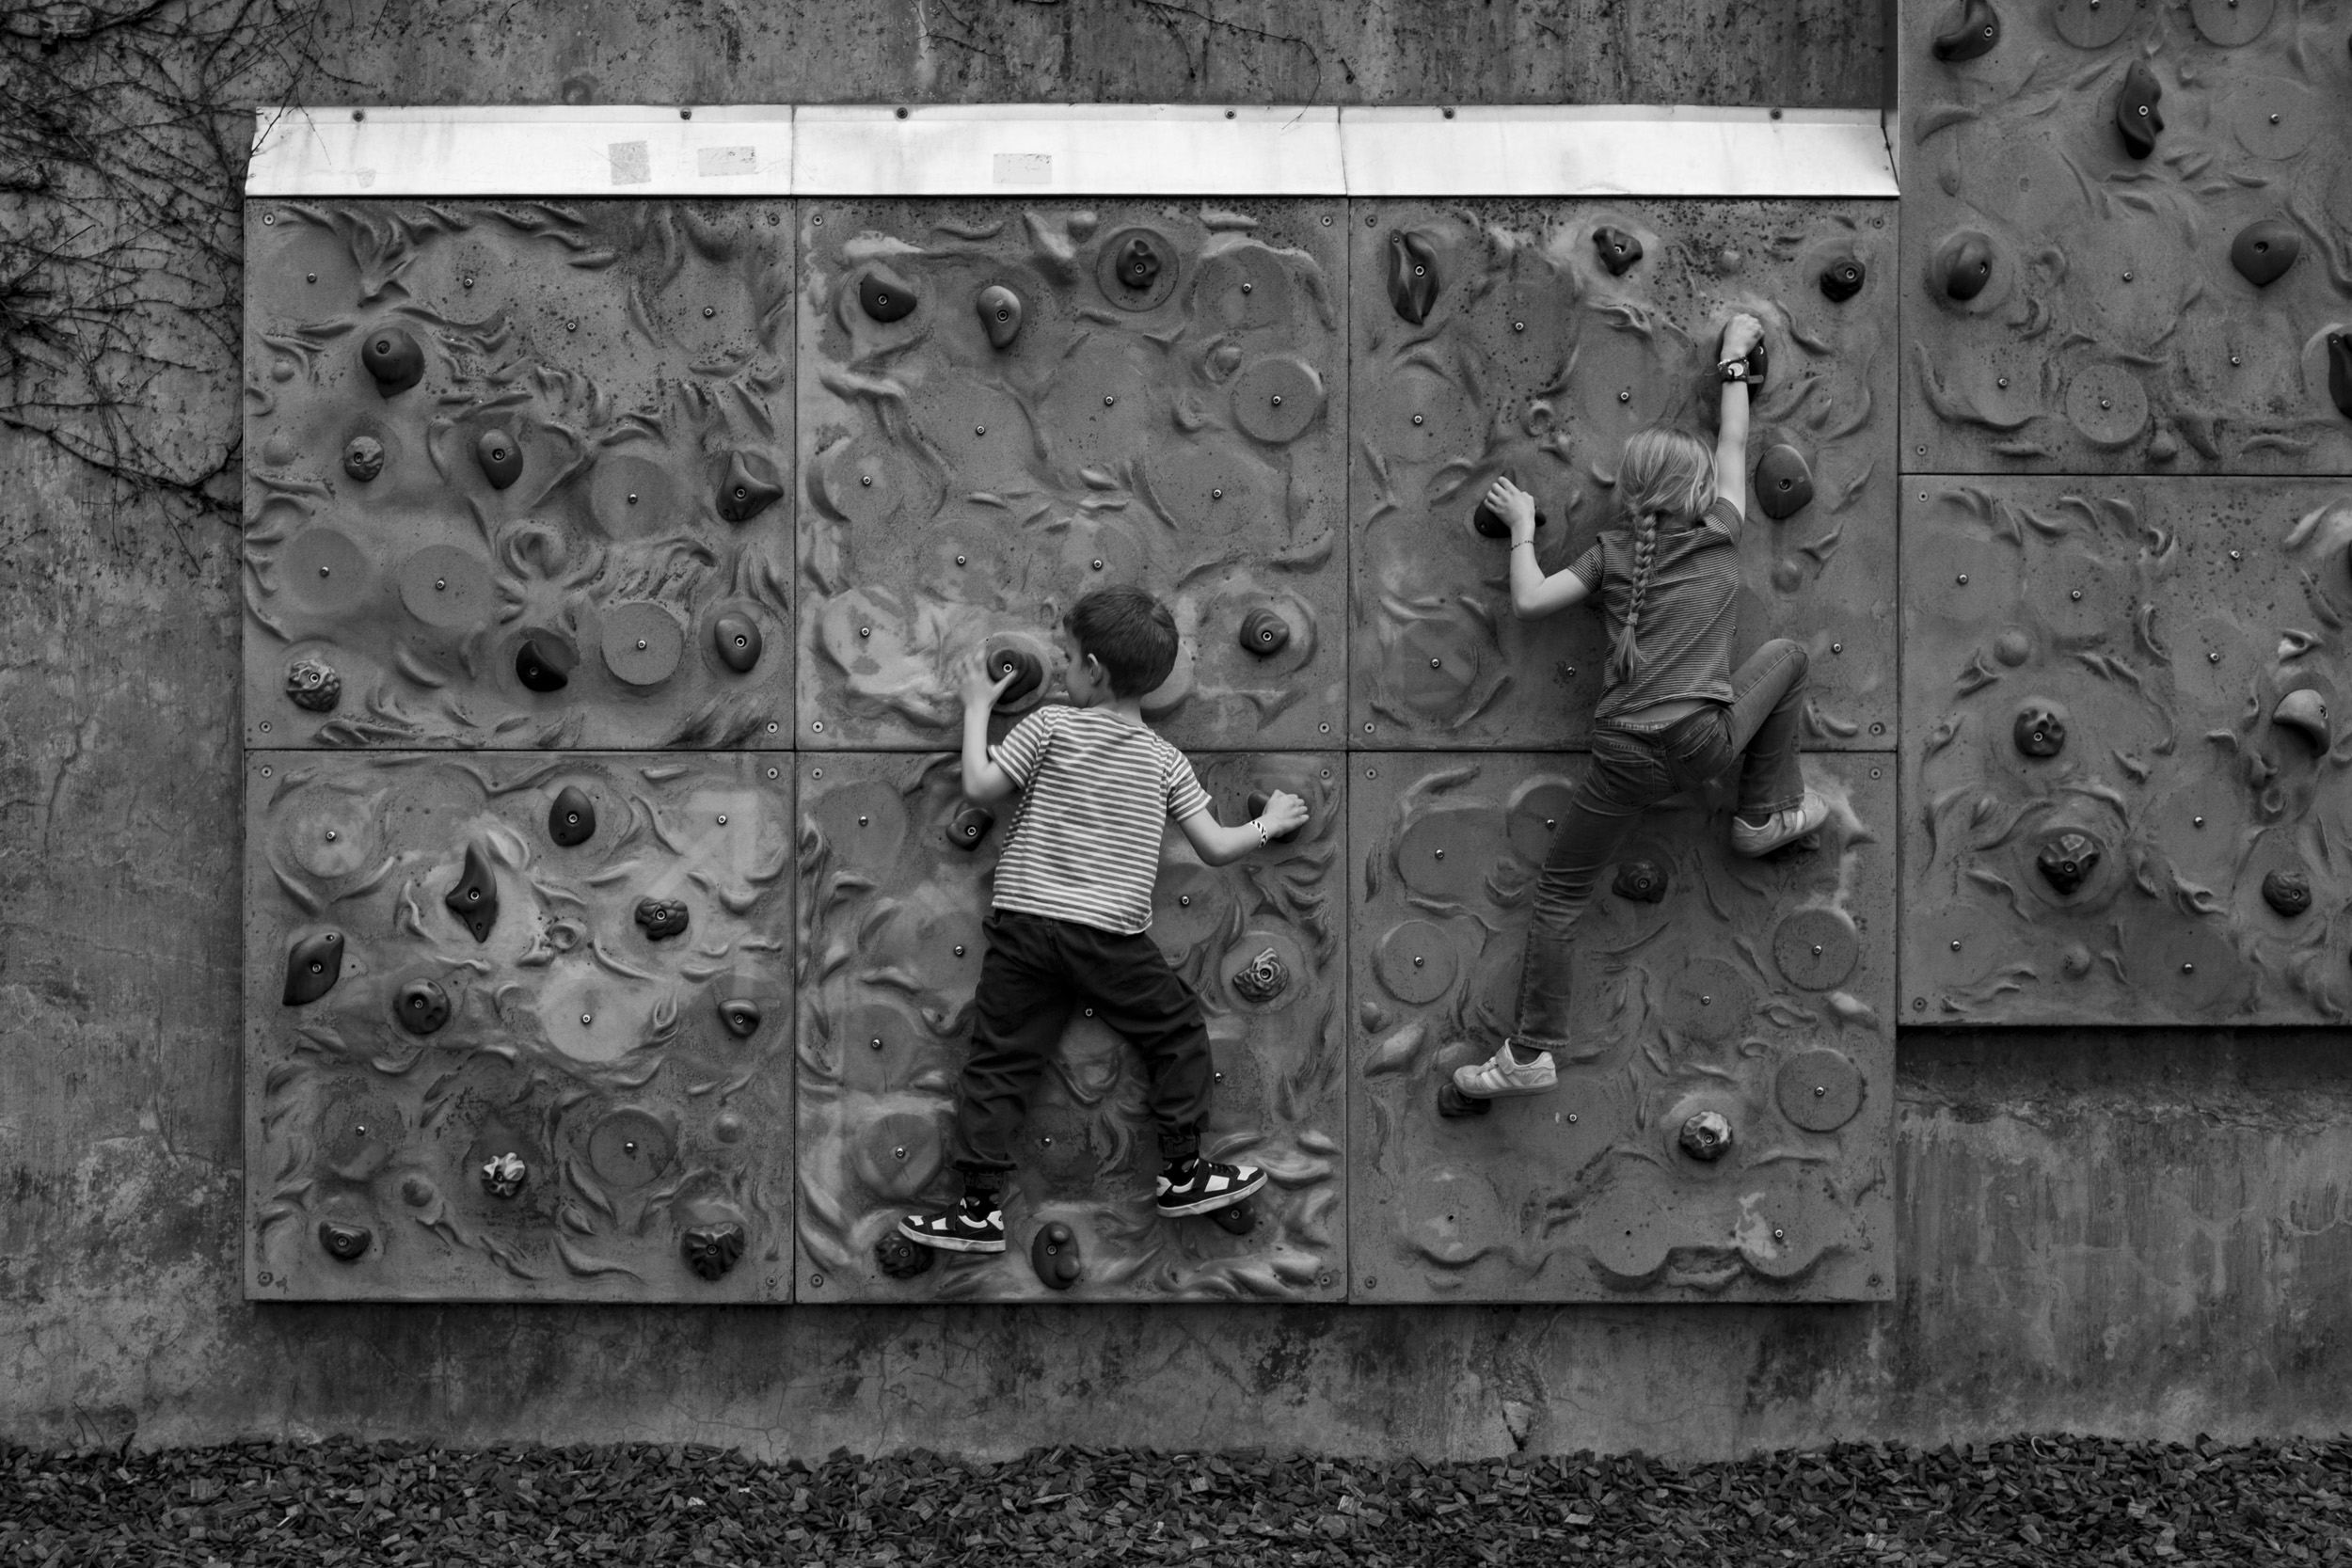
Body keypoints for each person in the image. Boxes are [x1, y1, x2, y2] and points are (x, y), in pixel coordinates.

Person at [1453, 312, 1826, 1101]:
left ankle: (1528, 1051)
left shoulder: (1612, 551)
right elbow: (1733, 442)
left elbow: (1527, 599)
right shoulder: (1723, 527)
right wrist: (1732, 358)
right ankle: (1763, 814)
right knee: (1789, 656)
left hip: (1621, 750)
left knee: (1561, 892)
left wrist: (1522, 526)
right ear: (1696, 490)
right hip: (1704, 740)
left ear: (1630, 495)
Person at [900, 585, 1311, 1253]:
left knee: (1000, 1061)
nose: (1059, 668)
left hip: (1027, 926)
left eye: (1065, 656)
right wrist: (1270, 821)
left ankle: (977, 1207)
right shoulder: (1163, 759)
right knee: (1177, 1032)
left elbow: (978, 786)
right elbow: (1214, 846)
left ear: (1093, 668)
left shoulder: (1049, 726)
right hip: (1107, 938)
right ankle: (1181, 1170)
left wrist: (977, 709)